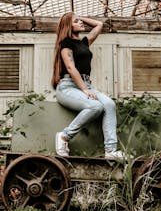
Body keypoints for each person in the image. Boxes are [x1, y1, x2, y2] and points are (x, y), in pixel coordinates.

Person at [51, 12, 125, 160]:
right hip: (67, 86)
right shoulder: (65, 43)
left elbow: (99, 25)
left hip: (86, 84)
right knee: (95, 106)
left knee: (109, 104)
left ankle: (110, 150)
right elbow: (71, 68)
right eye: (76, 21)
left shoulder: (84, 42)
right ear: (68, 26)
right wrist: (84, 89)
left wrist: (79, 17)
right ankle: (64, 137)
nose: (81, 23)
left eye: (80, 21)